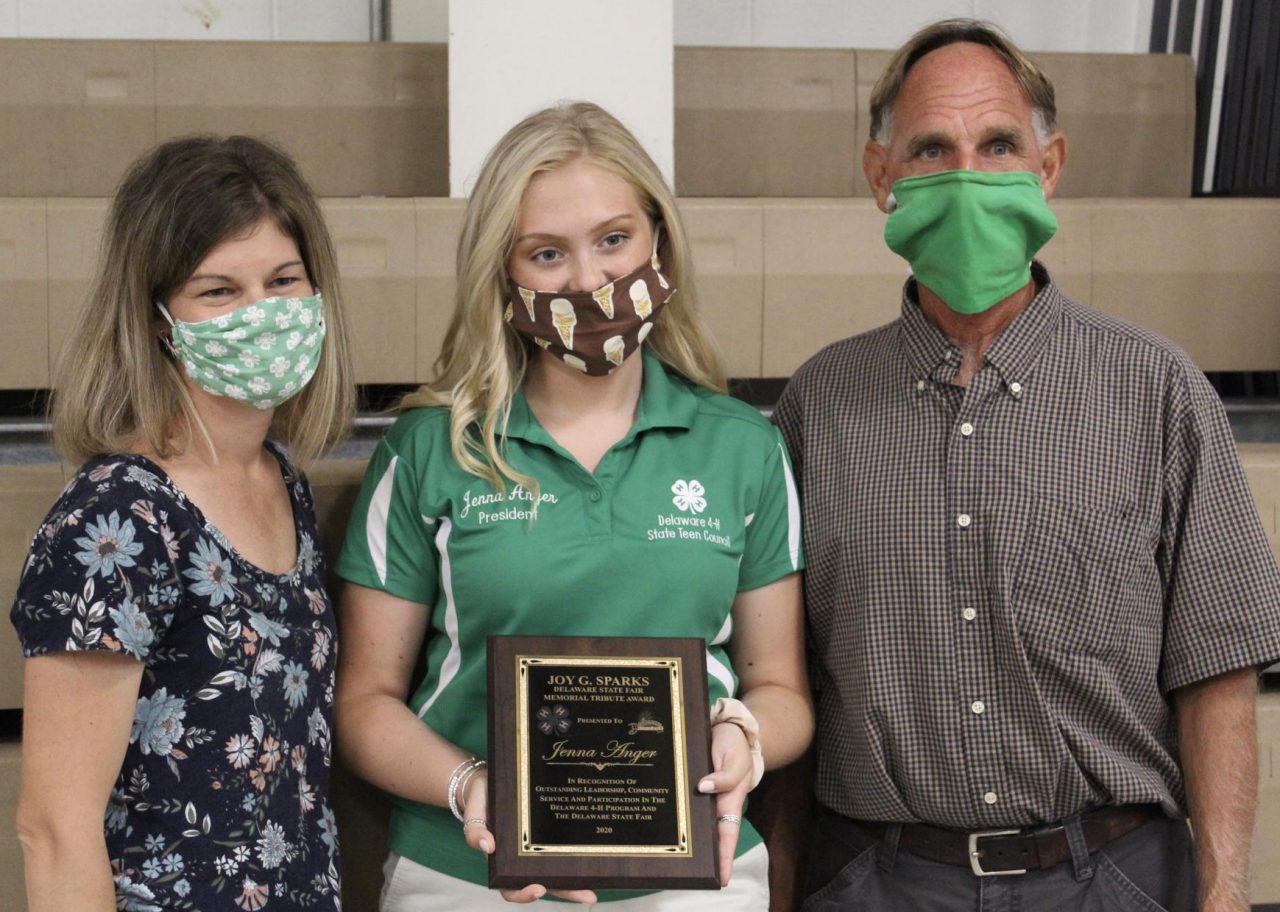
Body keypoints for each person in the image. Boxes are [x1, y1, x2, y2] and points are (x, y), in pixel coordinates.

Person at [773, 18, 1280, 912]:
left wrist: (1226, 893)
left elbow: (1218, 670)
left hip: (1111, 874)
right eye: (932, 149)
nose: (967, 173)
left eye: (998, 144)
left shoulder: (1157, 391)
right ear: (880, 175)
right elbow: (791, 686)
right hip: (878, 881)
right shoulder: (819, 408)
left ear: (1048, 166)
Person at [333, 100, 813, 910]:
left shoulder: (743, 447)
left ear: (659, 238)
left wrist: (744, 738)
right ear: (503, 271)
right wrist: (473, 788)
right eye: (547, 253)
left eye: (614, 239)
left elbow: (784, 692)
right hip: (466, 874)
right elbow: (364, 702)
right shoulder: (431, 448)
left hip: (697, 877)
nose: (589, 280)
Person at [11, 135, 355, 911]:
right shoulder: (117, 519)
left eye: (283, 280)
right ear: (158, 317)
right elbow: (53, 827)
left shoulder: (282, 484)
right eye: (219, 291)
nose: (262, 314)